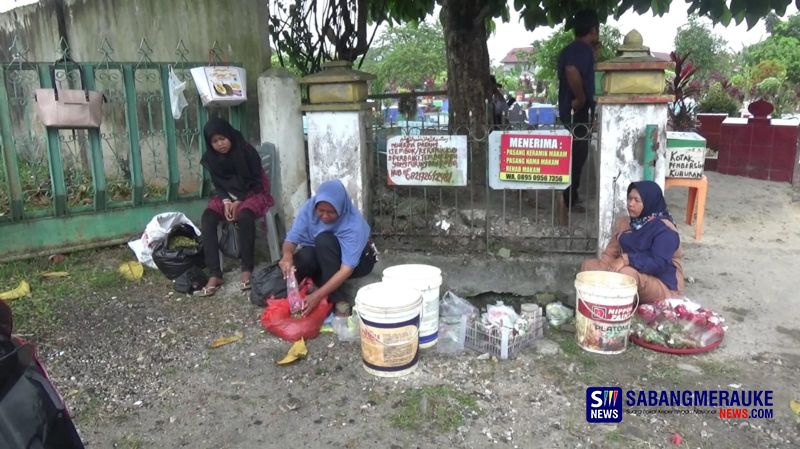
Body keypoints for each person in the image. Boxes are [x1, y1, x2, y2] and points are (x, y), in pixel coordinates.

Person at [196, 117, 274, 296]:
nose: (220, 144)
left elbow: (256, 181)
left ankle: (247, 268)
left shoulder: (246, 151)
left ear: (229, 135)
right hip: (226, 195)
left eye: (222, 138)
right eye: (214, 141)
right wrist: (226, 201)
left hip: (253, 192)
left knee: (245, 215)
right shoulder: (211, 158)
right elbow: (219, 184)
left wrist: (239, 200)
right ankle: (215, 273)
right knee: (208, 218)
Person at [279, 180, 377, 317]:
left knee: (323, 240)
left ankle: (339, 301)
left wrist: (316, 296)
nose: (324, 216)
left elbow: (346, 269)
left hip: (360, 262)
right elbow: (292, 238)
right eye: (321, 211)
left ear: (340, 208)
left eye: (331, 212)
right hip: (327, 254)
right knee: (303, 258)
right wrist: (287, 254)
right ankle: (311, 288)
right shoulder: (310, 208)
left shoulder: (353, 225)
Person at [580, 181, 685, 303]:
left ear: (648, 202)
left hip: (663, 284)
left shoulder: (665, 229)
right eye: (629, 199)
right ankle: (594, 307)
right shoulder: (626, 222)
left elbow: (658, 263)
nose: (630, 204)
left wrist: (626, 259)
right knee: (589, 266)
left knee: (625, 275)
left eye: (636, 200)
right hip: (635, 274)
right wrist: (605, 271)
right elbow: (610, 253)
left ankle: (621, 315)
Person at [557, 9, 600, 212]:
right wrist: (581, 98)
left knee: (575, 156)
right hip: (576, 113)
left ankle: (571, 197)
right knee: (575, 157)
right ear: (593, 30)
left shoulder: (576, 49)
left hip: (573, 113)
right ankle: (568, 201)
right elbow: (571, 70)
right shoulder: (580, 49)